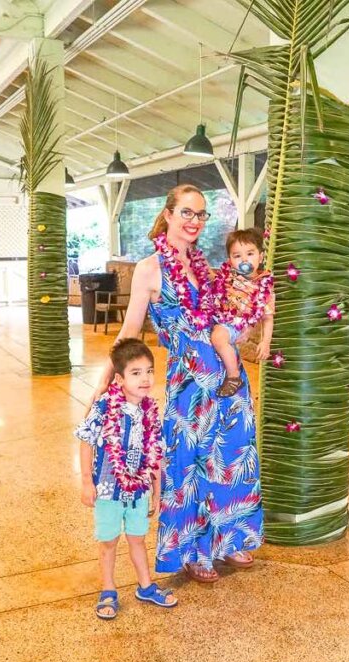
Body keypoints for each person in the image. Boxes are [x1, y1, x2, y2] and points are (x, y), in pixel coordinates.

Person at [93, 184, 263, 584]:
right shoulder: (150, 268)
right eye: (186, 212)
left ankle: (228, 539)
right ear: (168, 214)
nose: (194, 222)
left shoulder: (206, 266)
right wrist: (107, 381)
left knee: (233, 458)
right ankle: (193, 550)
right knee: (190, 464)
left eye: (201, 215)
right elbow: (131, 329)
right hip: (189, 384)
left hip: (228, 378)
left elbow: (230, 315)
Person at [75, 338, 177, 620]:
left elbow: (156, 453)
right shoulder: (105, 406)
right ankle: (108, 589)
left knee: (137, 538)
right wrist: (86, 481)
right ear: (119, 379)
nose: (145, 379)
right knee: (108, 541)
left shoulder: (151, 411)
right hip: (108, 489)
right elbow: (86, 441)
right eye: (136, 373)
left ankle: (145, 586)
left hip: (139, 489)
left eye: (148, 371)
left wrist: (156, 491)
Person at [210, 229, 275, 397]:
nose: (244, 259)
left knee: (218, 337)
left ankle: (234, 377)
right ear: (230, 261)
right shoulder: (228, 277)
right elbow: (212, 281)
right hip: (220, 317)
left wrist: (265, 342)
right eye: (237, 256)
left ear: (260, 257)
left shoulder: (264, 287)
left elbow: (267, 318)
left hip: (235, 325)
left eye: (250, 253)